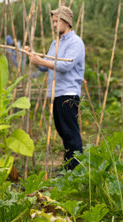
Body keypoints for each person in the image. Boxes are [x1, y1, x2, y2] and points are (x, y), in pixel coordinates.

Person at [25, 6, 85, 170]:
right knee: (63, 132)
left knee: (71, 132)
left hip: (69, 93)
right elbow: (46, 66)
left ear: (67, 22)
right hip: (56, 93)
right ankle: (69, 166)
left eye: (57, 21)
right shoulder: (55, 43)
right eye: (53, 22)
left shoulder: (76, 42)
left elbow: (65, 65)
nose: (54, 25)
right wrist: (33, 57)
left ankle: (75, 168)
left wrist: (41, 61)